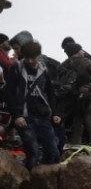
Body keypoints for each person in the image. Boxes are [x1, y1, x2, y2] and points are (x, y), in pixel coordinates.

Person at [5, 41, 60, 170]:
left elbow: (50, 93)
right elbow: (9, 93)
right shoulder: (16, 68)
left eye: (33, 58)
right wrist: (17, 115)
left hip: (43, 116)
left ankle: (44, 176)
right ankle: (30, 180)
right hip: (24, 117)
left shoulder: (44, 70)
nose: (30, 61)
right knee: (33, 151)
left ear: (39, 55)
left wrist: (55, 113)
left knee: (53, 151)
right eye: (27, 57)